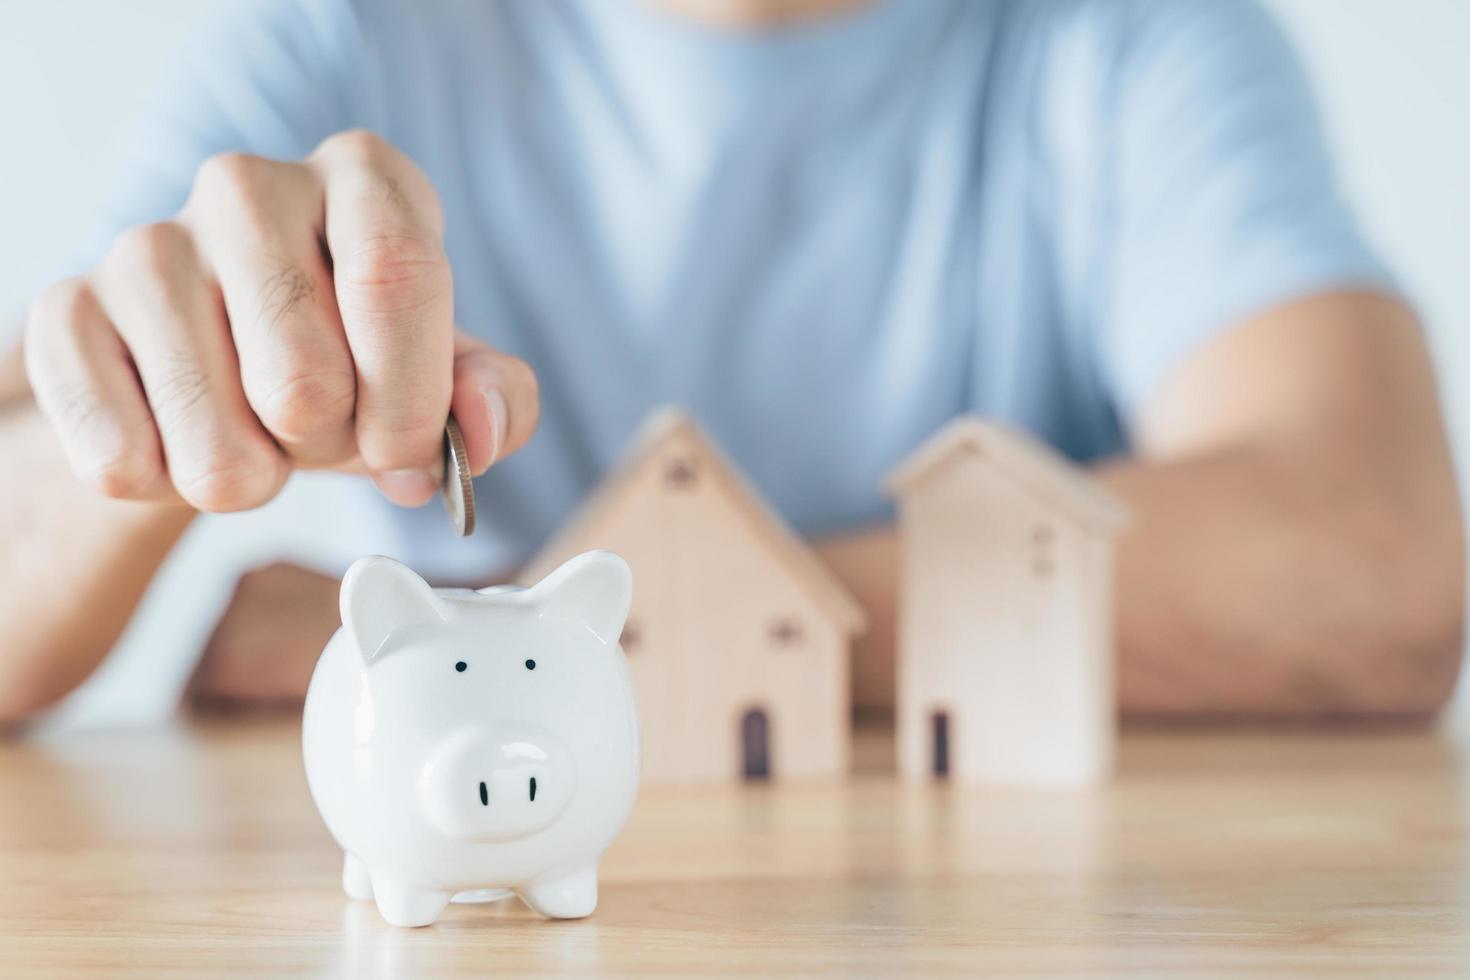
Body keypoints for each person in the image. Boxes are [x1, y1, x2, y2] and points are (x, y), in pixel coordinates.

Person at [0, 0, 1461, 723]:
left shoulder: (1131, 38)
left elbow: (1369, 567)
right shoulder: (346, 27)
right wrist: (153, 426)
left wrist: (519, 648)